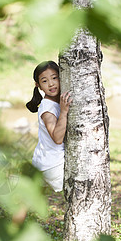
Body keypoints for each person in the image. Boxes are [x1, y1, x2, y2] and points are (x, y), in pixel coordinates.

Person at [26, 61, 72, 192]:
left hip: (43, 161)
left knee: (30, 198)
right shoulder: (47, 108)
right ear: (38, 85)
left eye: (54, 78)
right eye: (44, 81)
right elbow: (57, 138)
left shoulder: (54, 103)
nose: (51, 84)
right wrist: (63, 112)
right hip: (54, 165)